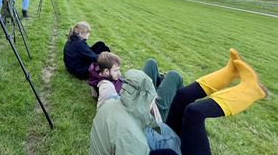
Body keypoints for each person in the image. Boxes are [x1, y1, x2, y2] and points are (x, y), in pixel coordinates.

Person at [90, 49, 268, 155]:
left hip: (161, 137)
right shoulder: (129, 140)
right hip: (171, 148)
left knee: (181, 97)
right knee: (195, 113)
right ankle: (252, 91)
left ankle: (230, 73)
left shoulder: (113, 107)